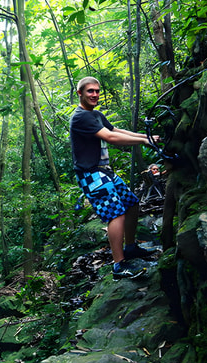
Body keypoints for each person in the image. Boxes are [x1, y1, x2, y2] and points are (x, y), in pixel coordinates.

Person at [69, 76, 158, 280]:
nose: (95, 95)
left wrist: (145, 138)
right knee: (115, 214)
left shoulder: (96, 114)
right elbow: (110, 137)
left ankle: (130, 247)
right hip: (91, 174)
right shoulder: (80, 117)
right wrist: (145, 142)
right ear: (80, 93)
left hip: (104, 171)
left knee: (131, 204)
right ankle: (119, 266)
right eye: (90, 91)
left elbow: (115, 130)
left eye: (97, 91)